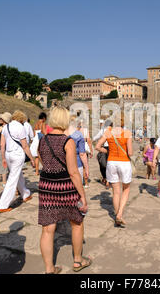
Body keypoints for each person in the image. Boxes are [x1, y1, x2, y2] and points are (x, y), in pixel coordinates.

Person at [38, 106, 91, 274]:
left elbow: (42, 162)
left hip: (47, 186)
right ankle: (78, 260)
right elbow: (74, 172)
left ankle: (49, 269)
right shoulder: (68, 141)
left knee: (48, 228)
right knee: (77, 222)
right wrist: (82, 195)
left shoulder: (43, 140)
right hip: (65, 186)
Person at [95, 115, 133, 227]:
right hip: (124, 162)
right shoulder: (127, 133)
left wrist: (106, 151)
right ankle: (120, 214)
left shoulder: (108, 132)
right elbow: (130, 153)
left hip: (111, 162)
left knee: (116, 191)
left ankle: (117, 216)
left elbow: (97, 146)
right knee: (126, 189)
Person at [0, 110, 35, 213]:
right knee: (12, 179)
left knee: (18, 175)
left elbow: (2, 144)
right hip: (17, 155)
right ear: (21, 119)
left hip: (8, 155)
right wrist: (31, 158)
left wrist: (3, 158)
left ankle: (25, 194)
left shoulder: (5, 127)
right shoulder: (20, 127)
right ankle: (3, 205)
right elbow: (25, 145)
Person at [65, 115, 89, 185]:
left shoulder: (63, 133)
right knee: (77, 186)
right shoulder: (79, 135)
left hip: (64, 164)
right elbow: (82, 154)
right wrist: (86, 168)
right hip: (77, 163)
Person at [93, 119, 111, 188]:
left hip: (104, 148)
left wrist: (93, 140)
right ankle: (107, 180)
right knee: (109, 164)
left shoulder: (103, 130)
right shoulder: (112, 130)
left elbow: (96, 137)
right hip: (111, 148)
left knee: (102, 163)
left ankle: (106, 179)